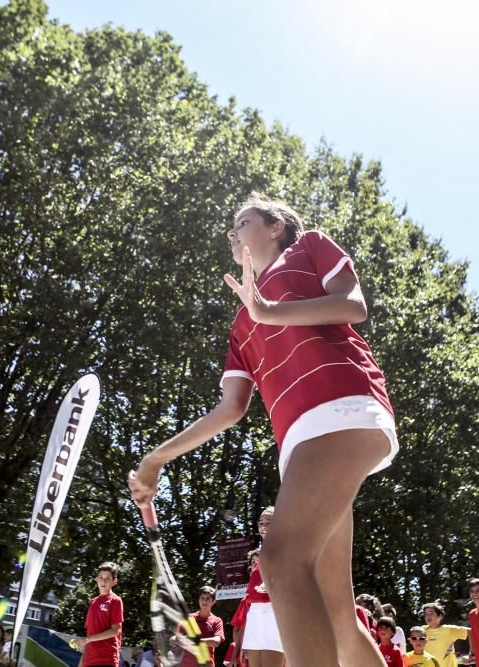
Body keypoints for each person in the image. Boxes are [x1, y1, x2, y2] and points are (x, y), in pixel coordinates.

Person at [130, 192, 398, 667]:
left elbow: (352, 306)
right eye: (231, 229)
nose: (233, 233)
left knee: (279, 562)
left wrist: (268, 310)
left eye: (244, 221)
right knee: (338, 616)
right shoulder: (240, 324)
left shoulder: (309, 247)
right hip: (303, 447)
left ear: (276, 227)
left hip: (344, 409)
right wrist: (156, 459)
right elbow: (230, 408)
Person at [230, 511, 283, 667]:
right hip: (255, 616)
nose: (264, 527)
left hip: (273, 613)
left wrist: (273, 584)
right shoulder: (261, 556)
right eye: (261, 523)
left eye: (269, 522)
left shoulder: (285, 549)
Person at [70, 562, 123, 667]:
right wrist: (81, 663)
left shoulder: (116, 601)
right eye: (101, 577)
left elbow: (115, 631)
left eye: (107, 578)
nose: (103, 581)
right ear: (96, 579)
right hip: (88, 661)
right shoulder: (93, 602)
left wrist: (87, 639)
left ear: (114, 581)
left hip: (106, 660)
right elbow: (90, 635)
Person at [180, 586, 225, 667]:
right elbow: (173, 639)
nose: (204, 601)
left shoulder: (217, 620)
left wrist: (193, 641)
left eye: (208, 598)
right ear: (199, 600)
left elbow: (216, 642)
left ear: (213, 601)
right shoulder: (189, 618)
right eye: (202, 598)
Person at [422, 602, 468, 667]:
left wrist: (471, 654)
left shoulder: (449, 629)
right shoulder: (422, 631)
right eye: (426, 614)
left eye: (431, 613)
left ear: (440, 616)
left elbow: (471, 632)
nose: (428, 616)